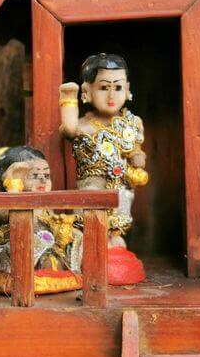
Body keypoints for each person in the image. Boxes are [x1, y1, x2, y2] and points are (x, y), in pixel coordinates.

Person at [58, 53, 148, 247]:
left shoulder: (133, 122)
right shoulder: (84, 126)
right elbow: (69, 130)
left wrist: (137, 157)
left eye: (118, 87)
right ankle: (94, 244)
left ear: (127, 89)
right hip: (92, 185)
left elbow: (135, 149)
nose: (111, 95)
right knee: (93, 217)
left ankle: (114, 237)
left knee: (120, 213)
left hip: (121, 184)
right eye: (104, 87)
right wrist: (68, 100)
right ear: (87, 91)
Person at [0, 146, 83, 295]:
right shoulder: (2, 204)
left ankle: (68, 271)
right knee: (37, 241)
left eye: (46, 175)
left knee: (75, 235)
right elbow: (2, 217)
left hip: (47, 248)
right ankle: (25, 276)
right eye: (34, 175)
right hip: (15, 252)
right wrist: (13, 186)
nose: (42, 180)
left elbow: (48, 223)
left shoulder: (44, 204)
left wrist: (61, 226)